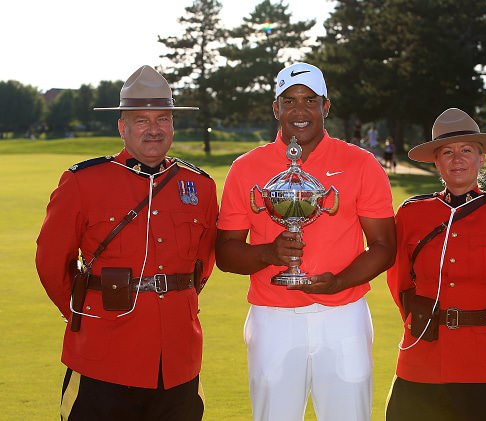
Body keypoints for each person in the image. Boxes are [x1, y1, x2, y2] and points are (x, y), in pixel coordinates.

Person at [36, 65, 218, 421]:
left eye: (163, 119)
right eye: (141, 120)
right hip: (103, 353)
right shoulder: (83, 182)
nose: (154, 129)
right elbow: (50, 261)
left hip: (177, 358)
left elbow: (202, 265)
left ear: (173, 125)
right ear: (122, 127)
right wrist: (86, 309)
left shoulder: (200, 186)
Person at [216, 62, 396, 421]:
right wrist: (268, 253)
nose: (300, 111)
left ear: (325, 107)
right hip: (273, 317)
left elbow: (384, 246)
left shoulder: (361, 163)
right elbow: (225, 253)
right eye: (290, 101)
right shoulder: (246, 167)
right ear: (276, 108)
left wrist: (340, 282)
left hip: (344, 315)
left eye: (310, 100)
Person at [385, 108, 486, 421]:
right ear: (436, 161)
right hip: (423, 357)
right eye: (447, 152)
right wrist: (425, 320)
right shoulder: (411, 214)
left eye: (466, 150)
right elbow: (398, 282)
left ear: (481, 158)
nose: (457, 159)